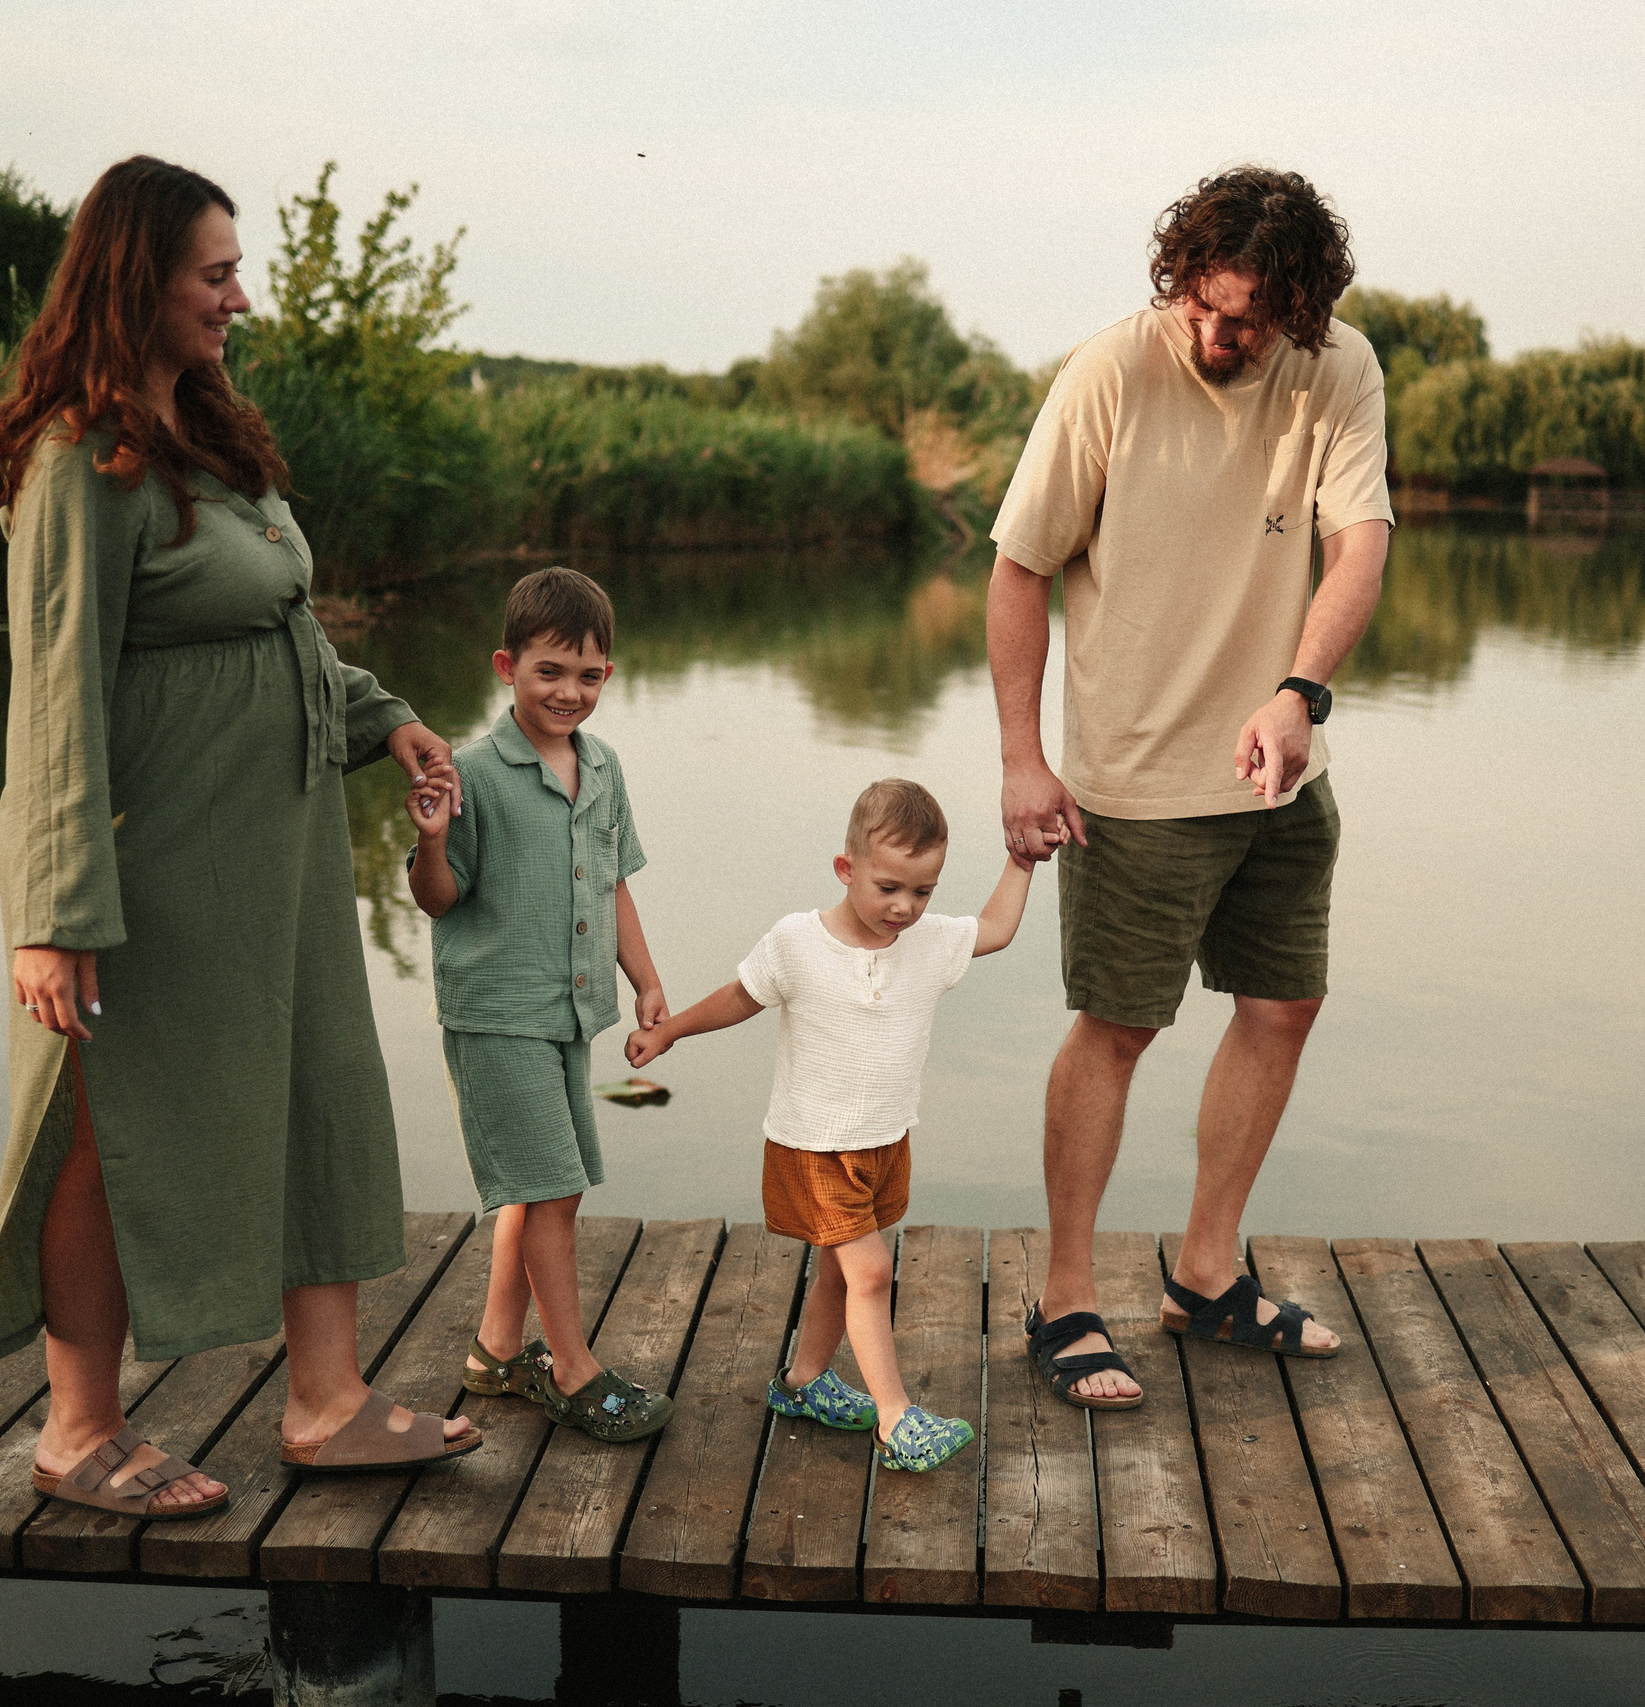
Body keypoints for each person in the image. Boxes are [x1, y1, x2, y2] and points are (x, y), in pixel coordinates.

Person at [0, 155, 480, 1518]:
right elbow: (53, 693)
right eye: (215, 273)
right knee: (101, 1125)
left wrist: (388, 720)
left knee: (318, 1090)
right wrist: (52, 911)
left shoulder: (207, 433)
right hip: (150, 864)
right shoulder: (78, 461)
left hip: (281, 859)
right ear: (140, 278)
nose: (238, 296)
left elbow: (279, 625)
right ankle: (78, 1430)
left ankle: (328, 1400)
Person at [987, 166, 1393, 1408]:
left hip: (1275, 775)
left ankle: (1206, 1275)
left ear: (1302, 312)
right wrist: (1021, 757)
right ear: (1180, 281)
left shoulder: (1342, 371)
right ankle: (1065, 1302)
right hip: (1134, 783)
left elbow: (1359, 544)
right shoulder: (1109, 373)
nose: (1222, 339)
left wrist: (1298, 695)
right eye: (1206, 311)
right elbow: (1017, 571)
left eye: (1251, 322)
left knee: (1282, 1007)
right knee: (1117, 1027)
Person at [624, 780, 1039, 1470]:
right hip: (815, 1147)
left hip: (884, 1140)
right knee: (871, 1270)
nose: (905, 907)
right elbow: (740, 996)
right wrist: (671, 1033)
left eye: (923, 890)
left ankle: (803, 1381)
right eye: (888, 888)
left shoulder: (929, 941)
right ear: (846, 869)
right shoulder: (797, 941)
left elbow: (995, 928)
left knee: (841, 1276)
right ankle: (895, 1418)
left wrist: (1021, 864)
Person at [407, 565, 675, 1442]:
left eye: (589, 674)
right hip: (495, 1014)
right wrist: (432, 839)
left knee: (541, 1187)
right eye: (549, 671)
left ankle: (493, 1352)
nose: (570, 691)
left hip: (570, 1015)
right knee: (553, 1188)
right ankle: (572, 1367)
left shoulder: (603, 767)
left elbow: (615, 884)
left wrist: (645, 980)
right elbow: (439, 898)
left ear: (608, 675)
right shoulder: (472, 771)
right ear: (506, 667)